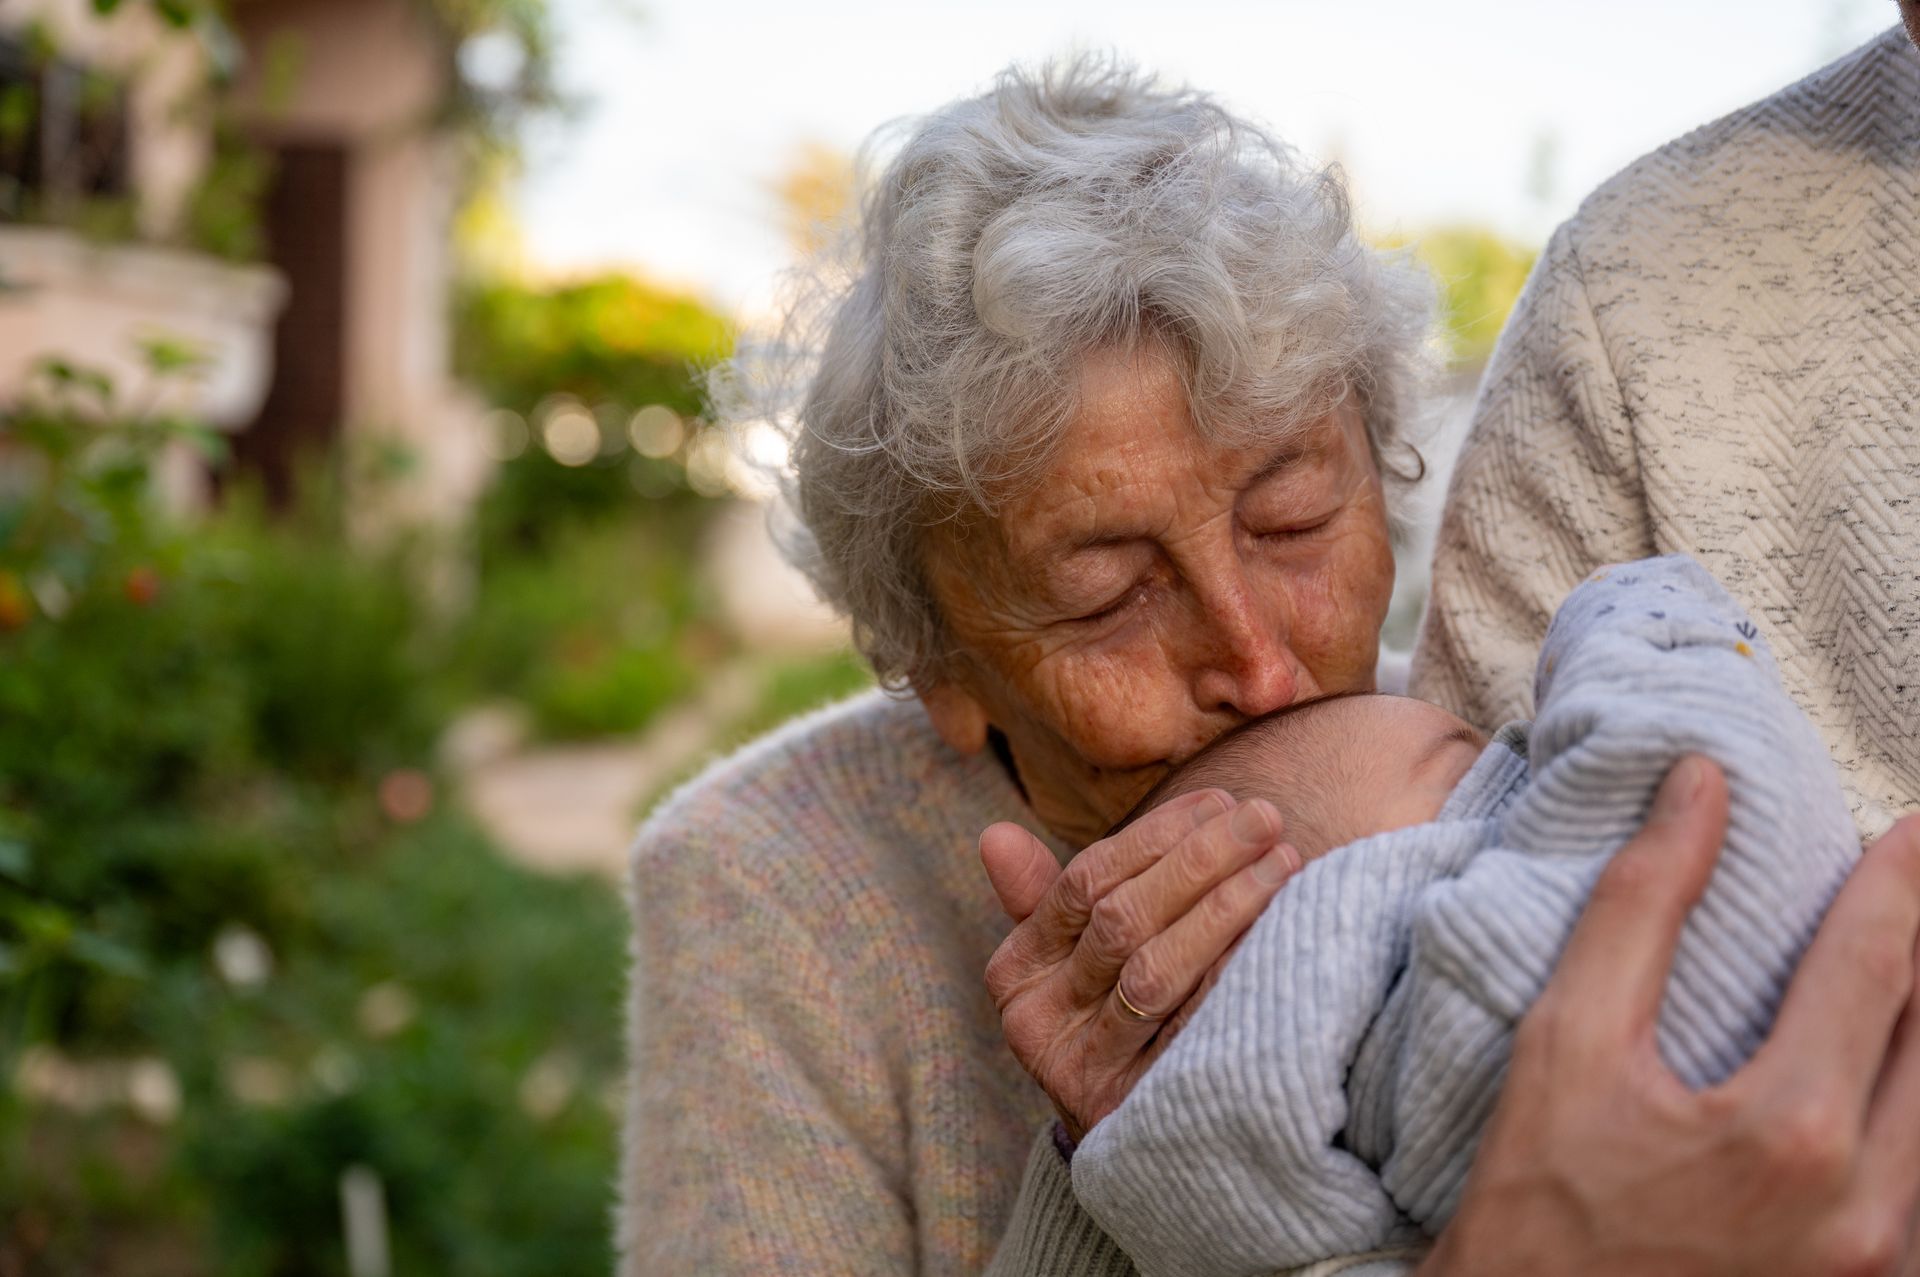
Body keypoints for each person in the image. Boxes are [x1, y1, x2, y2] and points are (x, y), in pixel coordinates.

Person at [620, 43, 1920, 1277]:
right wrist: (1110, 1183)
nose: (1262, 661)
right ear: (936, 660)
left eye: (1294, 519)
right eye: (1108, 595)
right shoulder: (767, 881)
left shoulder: (1489, 765)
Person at [1070, 555, 1860, 1276]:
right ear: (1334, 910)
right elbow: (1720, 788)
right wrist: (1633, 619)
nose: (1528, 758)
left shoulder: (1311, 1197)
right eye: (1464, 767)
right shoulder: (1486, 976)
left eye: (1293, 522)